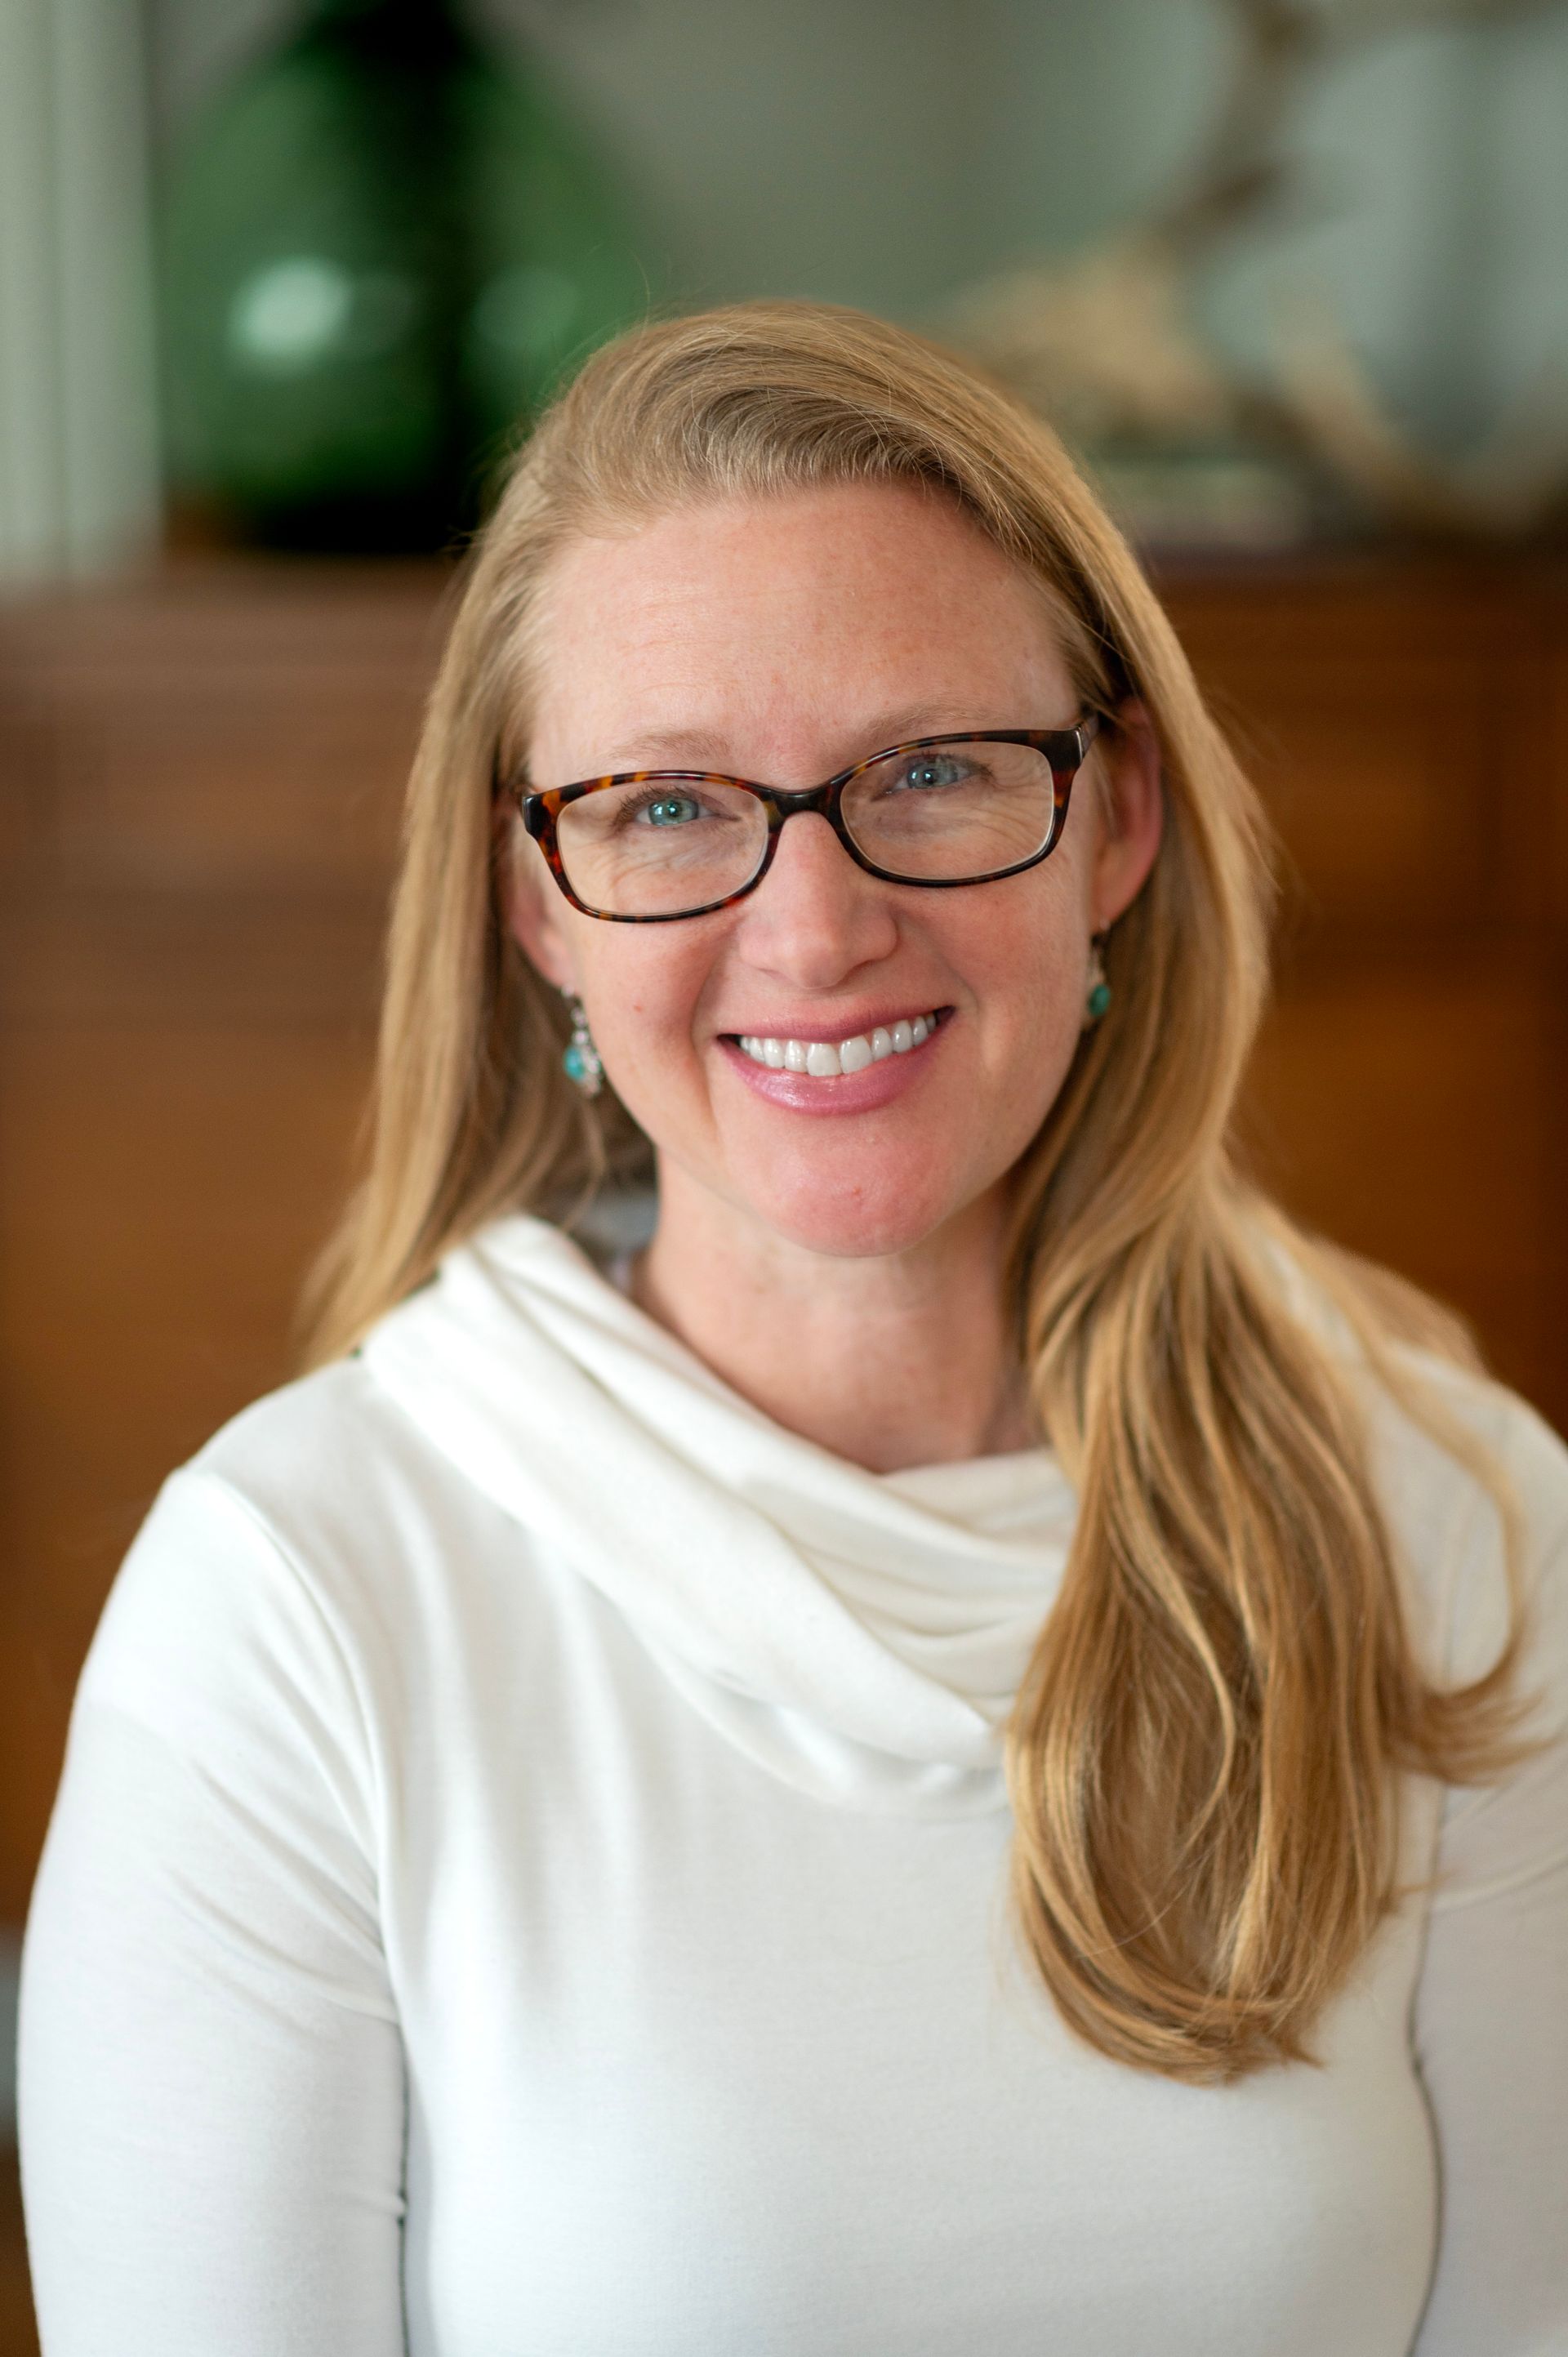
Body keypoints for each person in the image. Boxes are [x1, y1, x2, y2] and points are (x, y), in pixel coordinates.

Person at [18, 303, 1568, 2357]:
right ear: (537, 898)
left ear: (1118, 819)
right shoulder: (294, 1605)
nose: (818, 932)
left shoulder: (1462, 1528)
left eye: (930, 771)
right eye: (668, 805)